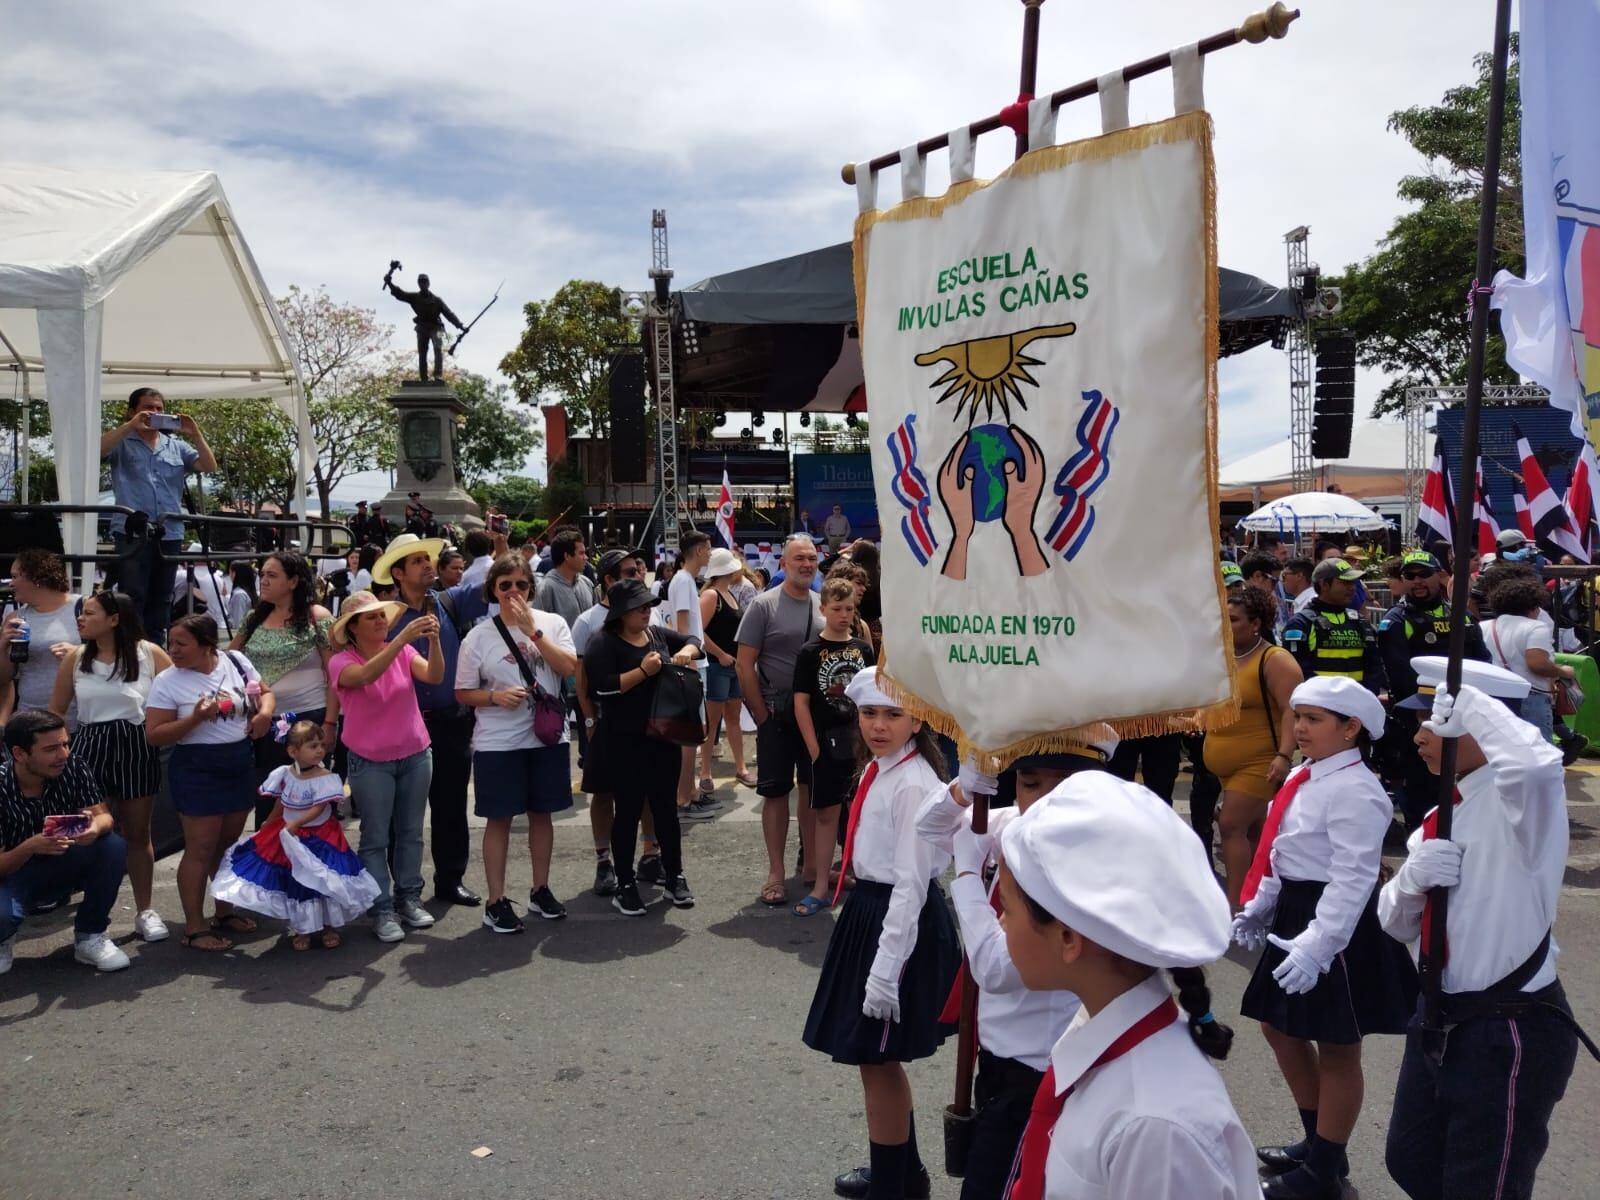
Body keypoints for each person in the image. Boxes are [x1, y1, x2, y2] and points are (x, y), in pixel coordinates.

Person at [1380, 657, 1592, 1200]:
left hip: (1507, 1026)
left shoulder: (1522, 804)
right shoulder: (1441, 813)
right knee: (1410, 1158)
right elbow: (1395, 922)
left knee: (1484, 1185)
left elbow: (1536, 766)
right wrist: (1410, 883)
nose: (1421, 734)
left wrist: (1473, 704)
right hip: (1439, 1016)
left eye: (1435, 719)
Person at [995, 773, 1253, 1199]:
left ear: (1068, 938)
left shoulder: (1155, 1126)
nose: (1000, 922)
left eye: (1006, 908)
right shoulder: (1099, 1027)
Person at [904, 733, 1116, 1200]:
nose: (1040, 801)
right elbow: (929, 827)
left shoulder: (1082, 863)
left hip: (1039, 1068)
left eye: (1061, 785)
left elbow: (998, 968)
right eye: (1029, 782)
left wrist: (965, 879)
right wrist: (962, 789)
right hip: (999, 1055)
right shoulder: (1016, 826)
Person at [1233, 675, 1419, 1199]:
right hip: (1298, 907)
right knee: (1279, 1026)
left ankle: (1325, 1169)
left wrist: (1321, 942)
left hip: (1336, 922)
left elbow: (1354, 877)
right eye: (1298, 717)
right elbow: (1280, 847)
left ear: (1350, 728)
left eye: (1313, 720)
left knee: (1337, 1044)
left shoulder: (1357, 790)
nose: (1300, 728)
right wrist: (1260, 905)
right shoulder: (1306, 776)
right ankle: (1318, 1144)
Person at [801, 667, 959, 1200]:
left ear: (918, 719)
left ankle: (895, 1185)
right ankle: (900, 1170)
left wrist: (886, 969)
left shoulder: (913, 783)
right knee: (875, 1058)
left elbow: (913, 884)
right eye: (869, 713)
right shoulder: (882, 768)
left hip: (897, 920)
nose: (878, 725)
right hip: (872, 911)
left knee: (877, 1058)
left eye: (893, 714)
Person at [455, 553, 579, 932]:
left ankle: (540, 888)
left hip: (545, 737)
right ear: (493, 589)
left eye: (520, 584)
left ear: (531, 588)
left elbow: (568, 668)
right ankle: (495, 900)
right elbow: (462, 692)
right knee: (500, 819)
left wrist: (533, 632)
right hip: (498, 741)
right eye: (504, 585)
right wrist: (495, 697)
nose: (513, 592)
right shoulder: (478, 636)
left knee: (543, 814)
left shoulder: (552, 623)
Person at [144, 614, 275, 953]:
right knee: (200, 848)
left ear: (206, 645)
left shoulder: (235, 660)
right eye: (170, 643)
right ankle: (194, 926)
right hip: (196, 767)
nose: (173, 650)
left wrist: (263, 715)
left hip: (238, 762)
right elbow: (155, 735)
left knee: (227, 843)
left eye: (181, 644)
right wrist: (195, 718)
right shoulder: (168, 681)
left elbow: (266, 692)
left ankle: (225, 911)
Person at [49, 591, 172, 942]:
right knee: (90, 832)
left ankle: (145, 910)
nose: (81, 619)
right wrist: (57, 752)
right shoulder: (75, 657)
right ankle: (92, 915)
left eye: (89, 613)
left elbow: (179, 689)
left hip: (137, 745)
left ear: (114, 619)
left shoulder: (148, 653)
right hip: (89, 747)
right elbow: (56, 712)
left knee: (138, 832)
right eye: (82, 613)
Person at [581, 579, 703, 916]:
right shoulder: (603, 643)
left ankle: (675, 875)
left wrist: (686, 652)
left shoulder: (657, 633)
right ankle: (625, 883)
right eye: (640, 607)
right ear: (621, 613)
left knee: (665, 808)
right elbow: (601, 688)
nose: (648, 611)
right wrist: (642, 671)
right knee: (629, 811)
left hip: (662, 736)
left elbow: (694, 640)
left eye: (649, 605)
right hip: (624, 740)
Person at [374, 532, 483, 908]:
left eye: (427, 559)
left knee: (451, 804)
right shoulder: (381, 617)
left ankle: (450, 879)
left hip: (451, 721)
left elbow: (496, 582)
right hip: (402, 724)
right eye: (417, 561)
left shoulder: (450, 602)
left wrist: (499, 546)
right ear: (398, 573)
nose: (427, 566)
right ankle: (403, 889)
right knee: (401, 812)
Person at [328, 590, 444, 942]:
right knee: (375, 837)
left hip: (415, 753)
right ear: (353, 628)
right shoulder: (340, 661)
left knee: (411, 832)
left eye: (382, 615)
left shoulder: (403, 650)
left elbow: (435, 676)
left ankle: (408, 897)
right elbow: (363, 677)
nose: (381, 621)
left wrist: (434, 643)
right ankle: (381, 909)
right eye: (371, 617)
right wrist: (402, 640)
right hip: (370, 761)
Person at [209, 719, 379, 950]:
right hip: (291, 837)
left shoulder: (325, 778)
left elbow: (319, 808)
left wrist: (297, 822)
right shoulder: (284, 774)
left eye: (321, 744)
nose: (319, 750)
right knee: (297, 881)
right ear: (293, 751)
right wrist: (270, 822)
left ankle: (329, 926)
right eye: (312, 746)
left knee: (322, 882)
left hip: (320, 839)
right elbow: (282, 801)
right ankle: (303, 928)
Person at [0, 710, 130, 974]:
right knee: (2, 915)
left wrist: (94, 828)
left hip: (60, 864)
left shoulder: (74, 767)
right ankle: (3, 938)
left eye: (65, 744)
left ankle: (90, 937)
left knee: (112, 846)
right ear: (19, 754)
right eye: (51, 749)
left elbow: (103, 816)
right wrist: (30, 846)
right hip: (10, 875)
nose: (63, 754)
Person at [736, 534, 824, 908]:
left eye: (811, 558)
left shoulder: (823, 606)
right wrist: (760, 713)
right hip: (775, 715)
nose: (807, 564)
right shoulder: (763, 606)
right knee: (775, 795)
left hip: (815, 718)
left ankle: (811, 869)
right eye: (799, 558)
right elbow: (744, 664)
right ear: (783, 564)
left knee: (811, 790)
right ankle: (775, 872)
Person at [1379, 549, 1490, 829]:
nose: (1417, 581)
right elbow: (1400, 674)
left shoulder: (1461, 616)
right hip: (1420, 719)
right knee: (1421, 788)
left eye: (1424, 574)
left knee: (1468, 783)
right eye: (1410, 576)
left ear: (1439, 575)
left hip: (1463, 715)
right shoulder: (1395, 620)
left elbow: (1483, 662)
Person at [1206, 586, 1303, 906]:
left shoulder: (1275, 660)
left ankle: (1236, 907)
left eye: (1232, 620)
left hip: (1260, 762)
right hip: (1225, 765)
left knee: (1231, 825)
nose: (1225, 625)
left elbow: (1292, 710)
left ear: (1256, 624)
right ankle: (1263, 901)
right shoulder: (1221, 657)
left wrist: (1284, 755)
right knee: (1254, 833)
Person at [100, 387, 218, 643]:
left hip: (170, 531)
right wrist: (130, 425)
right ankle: (130, 650)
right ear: (132, 411)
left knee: (162, 597)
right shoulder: (121, 441)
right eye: (148, 407)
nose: (154, 413)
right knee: (132, 594)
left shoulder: (176, 446)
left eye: (159, 408)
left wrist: (195, 433)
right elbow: (97, 451)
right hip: (132, 530)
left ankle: (155, 650)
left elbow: (209, 466)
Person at [231, 552, 339, 821]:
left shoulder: (317, 617)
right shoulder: (254, 618)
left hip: (308, 721)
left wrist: (330, 723)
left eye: (272, 575)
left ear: (293, 582)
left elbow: (336, 675)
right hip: (262, 724)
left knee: (308, 805)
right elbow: (229, 660)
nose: (263, 581)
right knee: (268, 802)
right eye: (262, 575)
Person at [790, 578, 875, 916]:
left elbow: (871, 699)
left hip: (860, 745)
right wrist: (814, 749)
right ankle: (822, 885)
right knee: (826, 815)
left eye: (849, 609)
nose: (843, 615)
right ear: (822, 609)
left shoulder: (863, 649)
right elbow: (801, 703)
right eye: (836, 608)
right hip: (826, 744)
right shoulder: (810, 652)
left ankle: (863, 877)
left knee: (862, 816)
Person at [572, 550, 643, 895]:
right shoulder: (588, 622)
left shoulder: (648, 611)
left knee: (644, 791)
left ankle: (651, 853)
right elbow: (581, 680)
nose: (638, 575)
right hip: (603, 722)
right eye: (630, 572)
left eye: (639, 569)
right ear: (609, 580)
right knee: (603, 793)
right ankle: (604, 860)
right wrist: (589, 720)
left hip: (644, 724)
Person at [1481, 574, 1574, 746]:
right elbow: (1537, 664)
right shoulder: (1535, 627)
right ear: (1532, 606)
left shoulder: (1484, 627)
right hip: (1530, 698)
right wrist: (1563, 671)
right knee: (1539, 756)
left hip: (1493, 697)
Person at [0, 549, 83, 728]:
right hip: (30, 720)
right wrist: (2, 646)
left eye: (15, 577)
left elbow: (113, 654)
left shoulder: (83, 608)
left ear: (36, 578)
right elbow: (5, 678)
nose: (11, 584)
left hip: (78, 719)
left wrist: (79, 654)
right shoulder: (16, 617)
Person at [1282, 557, 1386, 694]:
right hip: (1319, 706)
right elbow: (1297, 671)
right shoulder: (1301, 623)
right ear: (1324, 584)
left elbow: (1374, 667)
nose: (1352, 588)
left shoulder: (1360, 622)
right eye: (1344, 582)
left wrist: (1364, 697)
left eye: (1353, 583)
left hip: (1357, 707)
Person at [698, 547, 754, 793]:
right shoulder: (712, 595)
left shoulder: (725, 594)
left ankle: (739, 767)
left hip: (729, 665)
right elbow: (697, 631)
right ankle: (706, 771)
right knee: (714, 721)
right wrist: (720, 654)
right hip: (718, 666)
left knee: (730, 718)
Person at [667, 531, 715, 816]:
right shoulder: (684, 580)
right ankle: (684, 795)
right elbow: (682, 625)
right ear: (698, 550)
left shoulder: (684, 580)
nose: (709, 554)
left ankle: (690, 791)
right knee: (691, 733)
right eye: (708, 549)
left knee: (694, 732)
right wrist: (691, 661)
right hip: (692, 664)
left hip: (695, 661)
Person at [384, 269, 465, 381]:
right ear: (418, 284)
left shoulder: (437, 300)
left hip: (437, 327)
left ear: (428, 283)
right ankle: (423, 377)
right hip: (422, 327)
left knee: (438, 349)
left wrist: (460, 325)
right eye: (421, 282)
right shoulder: (414, 297)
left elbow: (449, 314)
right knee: (422, 351)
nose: (423, 283)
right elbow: (400, 294)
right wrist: (389, 283)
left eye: (425, 281)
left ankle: (438, 375)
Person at [225, 561, 256, 633]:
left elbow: (238, 622)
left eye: (230, 572)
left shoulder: (239, 595)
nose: (229, 576)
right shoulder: (246, 592)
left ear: (234, 574)